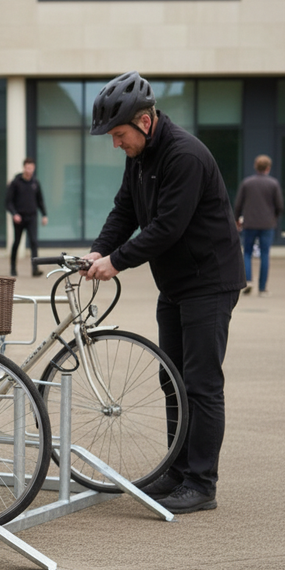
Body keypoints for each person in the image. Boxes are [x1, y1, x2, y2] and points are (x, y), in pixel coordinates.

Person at [82, 71, 246, 515]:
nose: (116, 144)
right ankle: (177, 469)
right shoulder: (140, 157)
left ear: (145, 121)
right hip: (175, 284)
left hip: (209, 281)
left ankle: (201, 483)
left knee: (201, 384)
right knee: (171, 379)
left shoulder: (184, 155)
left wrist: (116, 262)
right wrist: (99, 249)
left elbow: (167, 227)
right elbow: (125, 211)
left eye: (118, 135)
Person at [233, 154, 283, 297]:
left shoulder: (247, 183)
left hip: (249, 223)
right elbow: (279, 205)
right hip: (267, 224)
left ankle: (248, 280)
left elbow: (238, 204)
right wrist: (274, 218)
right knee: (265, 254)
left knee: (247, 252)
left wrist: (237, 219)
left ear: (256, 167)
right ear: (268, 168)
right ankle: (262, 288)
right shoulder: (273, 184)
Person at [5, 157, 48, 276]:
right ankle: (13, 268)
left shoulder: (35, 183)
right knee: (17, 242)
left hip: (32, 217)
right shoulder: (16, 182)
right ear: (24, 168)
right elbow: (8, 202)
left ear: (34, 168)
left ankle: (35, 269)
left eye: (31, 168)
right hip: (19, 218)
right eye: (27, 168)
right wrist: (14, 214)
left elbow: (40, 200)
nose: (29, 170)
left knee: (34, 242)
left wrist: (44, 214)